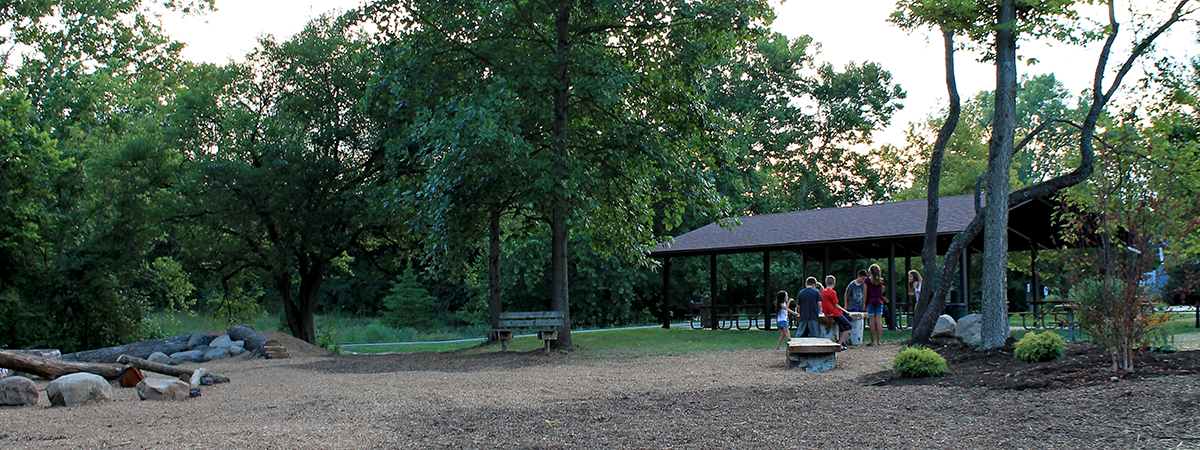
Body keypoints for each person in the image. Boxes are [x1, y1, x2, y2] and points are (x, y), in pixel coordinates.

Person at [822, 275, 853, 349]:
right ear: (834, 283)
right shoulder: (833, 292)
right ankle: (839, 344)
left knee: (846, 320)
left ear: (826, 283)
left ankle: (843, 341)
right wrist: (845, 310)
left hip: (827, 312)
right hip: (834, 313)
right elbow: (836, 305)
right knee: (848, 326)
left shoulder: (823, 292)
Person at [865, 264, 887, 346]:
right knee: (879, 321)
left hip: (870, 301)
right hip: (879, 301)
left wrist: (864, 303)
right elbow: (882, 290)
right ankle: (879, 341)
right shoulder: (881, 280)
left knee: (872, 322)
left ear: (870, 271)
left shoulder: (867, 280)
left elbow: (865, 293)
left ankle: (873, 341)